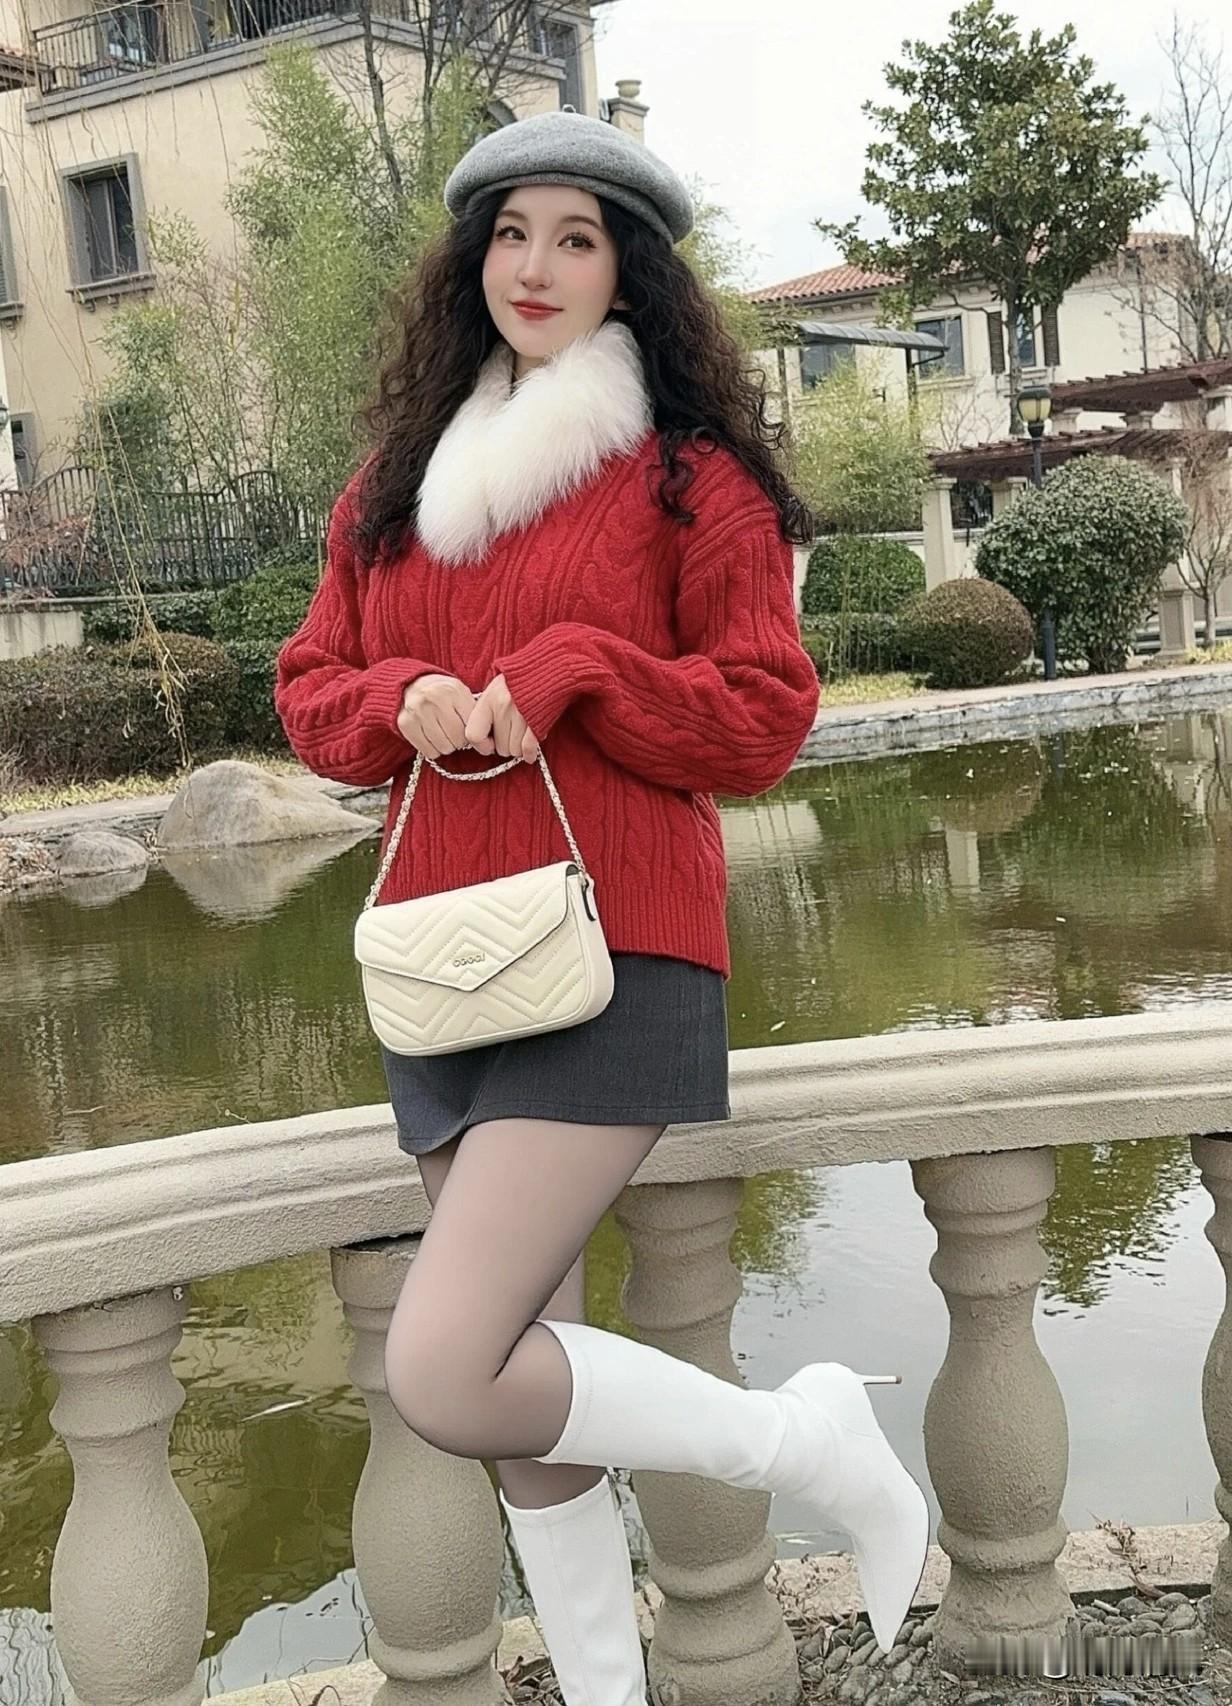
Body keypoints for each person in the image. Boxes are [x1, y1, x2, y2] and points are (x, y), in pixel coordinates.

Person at [275, 108, 928, 1706]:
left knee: (448, 1366)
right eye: (511, 232)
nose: (537, 265)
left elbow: (763, 716)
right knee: (522, 1405)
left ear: (628, 271)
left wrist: (580, 668)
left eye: (577, 237)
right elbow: (308, 688)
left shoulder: (690, 479)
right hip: (440, 956)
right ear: (471, 259)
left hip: (616, 943)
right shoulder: (395, 483)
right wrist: (401, 695)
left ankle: (808, 1438)